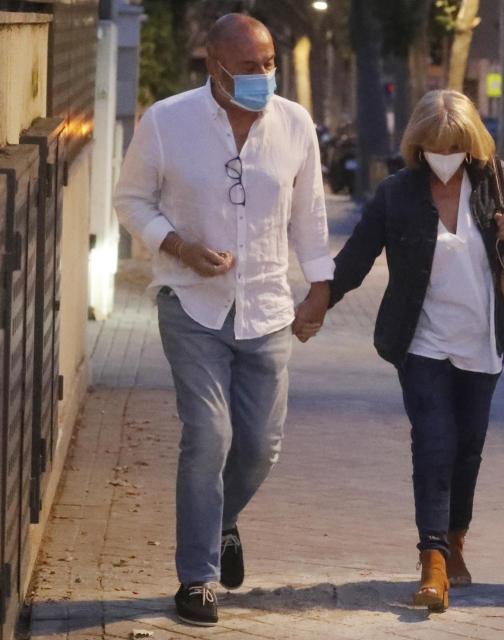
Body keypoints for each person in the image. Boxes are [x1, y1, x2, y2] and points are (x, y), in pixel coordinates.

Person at [114, 14, 333, 626]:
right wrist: (178, 246)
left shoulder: (295, 124)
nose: (263, 75)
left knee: (261, 447)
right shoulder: (167, 121)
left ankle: (222, 520)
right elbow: (131, 199)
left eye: (270, 63)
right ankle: (197, 579)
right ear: (214, 66)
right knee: (207, 435)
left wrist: (320, 289)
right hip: (191, 303)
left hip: (267, 307)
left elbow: (310, 214)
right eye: (248, 67)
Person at [324, 90, 504, 612]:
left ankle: (456, 542)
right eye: (436, 146)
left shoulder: (494, 180)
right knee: (434, 442)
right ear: (418, 144)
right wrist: (315, 305)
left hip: (481, 337)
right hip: (422, 339)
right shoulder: (397, 192)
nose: (446, 156)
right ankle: (432, 561)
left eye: (456, 146)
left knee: (468, 447)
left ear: (472, 144)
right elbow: (356, 257)